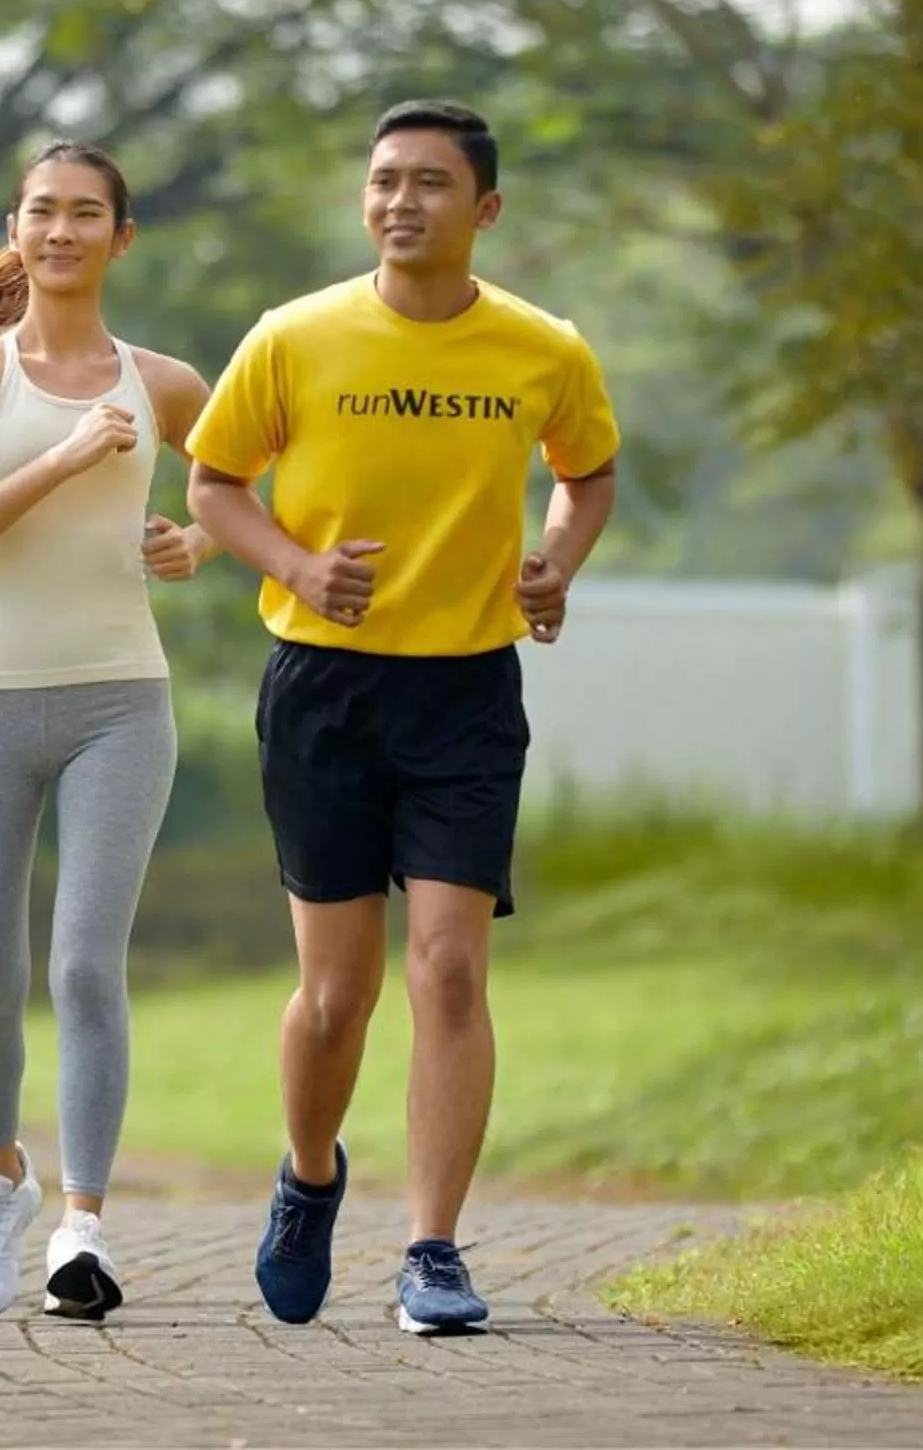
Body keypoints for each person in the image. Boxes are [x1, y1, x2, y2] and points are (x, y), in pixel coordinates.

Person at [183, 100, 620, 1336]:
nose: (400, 202)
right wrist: (298, 561)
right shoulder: (294, 337)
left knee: (450, 965)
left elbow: (588, 474)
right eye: (383, 181)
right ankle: (310, 1173)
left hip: (467, 689)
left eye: (430, 183)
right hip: (323, 684)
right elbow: (215, 484)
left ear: (483, 209)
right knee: (336, 993)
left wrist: (555, 563)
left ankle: (432, 1248)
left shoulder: (542, 349)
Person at [0, 141, 214, 1322]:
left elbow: (246, 488)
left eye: (88, 213)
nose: (64, 230)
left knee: (83, 965)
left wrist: (198, 542)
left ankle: (85, 1226)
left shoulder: (165, 380)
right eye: (44, 211)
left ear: (122, 237)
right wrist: (69, 456)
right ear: (16, 228)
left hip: (121, 699)